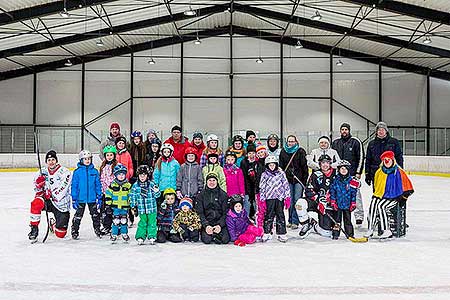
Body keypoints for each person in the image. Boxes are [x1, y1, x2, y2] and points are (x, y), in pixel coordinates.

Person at [366, 151, 413, 239]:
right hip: (383, 196)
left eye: (389, 159)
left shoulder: (398, 172)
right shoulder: (379, 172)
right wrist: (377, 196)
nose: (387, 162)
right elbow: (377, 187)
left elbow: (408, 187)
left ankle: (386, 230)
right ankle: (370, 229)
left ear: (392, 160)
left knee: (381, 207)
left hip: (396, 198)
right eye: (385, 160)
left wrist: (403, 198)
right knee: (373, 204)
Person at [28, 150, 72, 243]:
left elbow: (64, 188)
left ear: (56, 160)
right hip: (46, 200)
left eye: (53, 159)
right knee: (36, 203)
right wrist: (38, 185)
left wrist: (52, 194)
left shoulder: (64, 172)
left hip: (60, 203)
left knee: (60, 234)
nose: (51, 162)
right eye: (49, 160)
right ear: (46, 162)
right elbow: (36, 189)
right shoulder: (42, 171)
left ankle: (53, 224)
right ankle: (34, 229)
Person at [331, 123, 365, 225]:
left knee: (356, 194)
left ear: (349, 130)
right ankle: (338, 213)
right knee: (339, 194)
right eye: (342, 129)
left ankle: (359, 216)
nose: (344, 131)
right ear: (340, 131)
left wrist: (358, 172)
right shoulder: (335, 143)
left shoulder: (355, 141)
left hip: (352, 174)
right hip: (339, 176)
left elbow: (361, 157)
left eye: (346, 129)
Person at [296, 154, 336, 239]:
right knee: (300, 204)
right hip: (316, 202)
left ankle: (314, 225)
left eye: (327, 163)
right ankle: (307, 223)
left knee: (327, 233)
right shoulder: (315, 174)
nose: (325, 165)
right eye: (323, 163)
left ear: (330, 164)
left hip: (329, 204)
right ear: (320, 164)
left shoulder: (336, 174)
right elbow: (308, 190)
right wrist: (318, 198)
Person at [70, 150, 103, 240]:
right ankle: (75, 230)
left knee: (95, 215)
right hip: (81, 198)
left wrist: (99, 196)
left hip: (92, 198)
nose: (87, 161)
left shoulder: (95, 171)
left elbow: (98, 184)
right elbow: (74, 186)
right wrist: (74, 198)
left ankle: (97, 229)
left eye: (89, 159)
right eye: (85, 159)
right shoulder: (77, 172)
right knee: (78, 216)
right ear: (81, 160)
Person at [279, 135, 308, 230]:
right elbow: (281, 167)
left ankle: (295, 221)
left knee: (297, 200)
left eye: (292, 141)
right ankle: (290, 220)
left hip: (298, 180)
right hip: (288, 180)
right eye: (289, 141)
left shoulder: (300, 151)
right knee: (290, 201)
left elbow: (305, 167)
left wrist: (304, 181)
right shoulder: (283, 152)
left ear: (296, 142)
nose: (291, 143)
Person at [259, 155, 291, 243]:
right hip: (269, 197)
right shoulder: (264, 175)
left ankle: (281, 233)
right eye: (270, 165)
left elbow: (285, 185)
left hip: (279, 197)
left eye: (273, 165)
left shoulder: (281, 173)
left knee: (280, 214)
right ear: (267, 166)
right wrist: (262, 199)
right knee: (269, 215)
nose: (272, 167)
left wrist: (287, 197)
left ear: (276, 165)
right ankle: (267, 232)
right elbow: (262, 187)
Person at [365, 122, 404, 188]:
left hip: (390, 173)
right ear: (376, 131)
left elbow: (399, 157)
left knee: (390, 193)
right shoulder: (371, 144)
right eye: (379, 130)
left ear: (386, 131)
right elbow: (368, 160)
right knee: (377, 194)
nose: (381, 131)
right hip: (376, 173)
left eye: (383, 129)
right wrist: (367, 174)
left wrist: (400, 171)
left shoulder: (394, 142)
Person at [129, 165, 160, 245]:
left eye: (144, 175)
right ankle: (140, 236)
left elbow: (157, 196)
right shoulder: (135, 186)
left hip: (151, 208)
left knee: (152, 222)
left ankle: (152, 235)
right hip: (141, 209)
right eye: (140, 175)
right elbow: (132, 196)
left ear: (147, 175)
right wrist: (133, 205)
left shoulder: (152, 185)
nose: (142, 177)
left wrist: (157, 191)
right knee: (142, 222)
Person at [196, 173, 230, 244]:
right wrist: (206, 225)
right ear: (206, 182)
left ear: (217, 181)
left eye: (214, 180)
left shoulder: (223, 195)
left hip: (219, 222)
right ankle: (214, 236)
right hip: (208, 222)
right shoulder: (201, 195)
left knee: (225, 240)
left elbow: (226, 212)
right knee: (207, 240)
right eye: (210, 180)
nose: (212, 182)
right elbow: (200, 212)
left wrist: (220, 225)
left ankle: (216, 235)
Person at [329, 160, 360, 240]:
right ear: (338, 170)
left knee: (348, 220)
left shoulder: (352, 181)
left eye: (345, 169)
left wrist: (353, 202)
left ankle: (350, 234)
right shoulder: (335, 180)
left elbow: (353, 193)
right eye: (342, 168)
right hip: (338, 204)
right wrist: (333, 201)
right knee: (337, 220)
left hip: (347, 205)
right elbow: (332, 191)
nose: (343, 170)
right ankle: (335, 234)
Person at [104, 164, 132, 243]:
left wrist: (131, 203)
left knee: (123, 221)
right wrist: (108, 205)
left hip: (124, 207)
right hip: (115, 207)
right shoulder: (112, 185)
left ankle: (124, 233)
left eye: (123, 174)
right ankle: (114, 234)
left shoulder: (128, 185)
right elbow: (108, 194)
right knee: (116, 221)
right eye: (119, 174)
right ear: (116, 175)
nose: (121, 176)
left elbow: (130, 195)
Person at [240, 143, 264, 221]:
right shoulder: (244, 162)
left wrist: (257, 188)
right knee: (247, 203)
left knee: (256, 204)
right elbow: (244, 177)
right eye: (250, 153)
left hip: (256, 188)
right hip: (247, 187)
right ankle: (245, 219)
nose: (251, 155)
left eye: (253, 153)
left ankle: (256, 218)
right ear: (247, 154)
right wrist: (247, 190)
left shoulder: (258, 162)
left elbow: (260, 176)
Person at [99, 145, 117, 235]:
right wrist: (102, 191)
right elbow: (101, 179)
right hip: (105, 193)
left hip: (115, 193)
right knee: (106, 210)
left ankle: (116, 226)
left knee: (115, 210)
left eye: (111, 155)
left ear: (114, 155)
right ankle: (107, 226)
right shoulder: (103, 166)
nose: (109, 157)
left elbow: (119, 179)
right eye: (107, 155)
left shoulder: (117, 166)